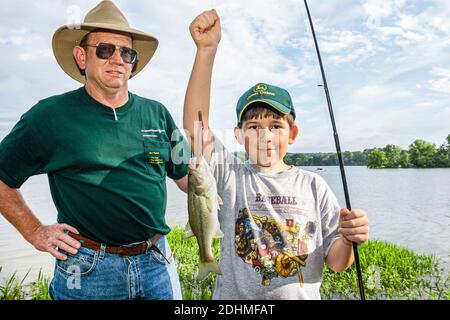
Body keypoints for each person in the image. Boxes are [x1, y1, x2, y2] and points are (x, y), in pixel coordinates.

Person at [0, 0, 190, 300]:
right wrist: (34, 231)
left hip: (157, 262)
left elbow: (189, 180)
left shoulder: (158, 114)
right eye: (105, 49)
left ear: (133, 62)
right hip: (87, 270)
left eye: (126, 52)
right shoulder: (49, 116)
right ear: (81, 56)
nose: (117, 58)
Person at [183, 9, 369, 299]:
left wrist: (349, 238)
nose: (265, 136)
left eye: (276, 126)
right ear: (238, 135)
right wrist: (207, 50)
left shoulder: (314, 186)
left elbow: (337, 262)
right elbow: (196, 128)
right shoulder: (232, 176)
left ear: (292, 134)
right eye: (254, 126)